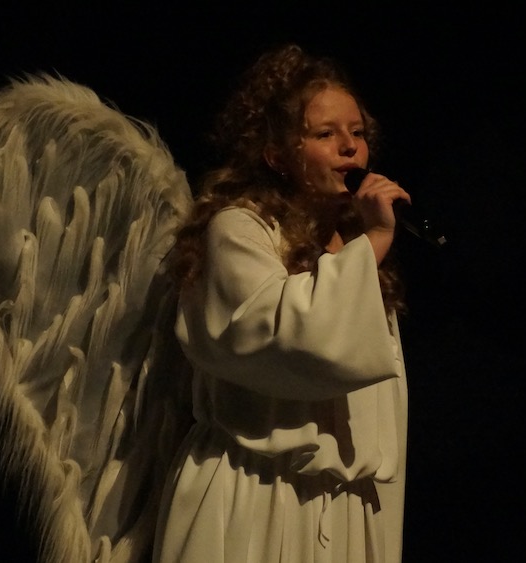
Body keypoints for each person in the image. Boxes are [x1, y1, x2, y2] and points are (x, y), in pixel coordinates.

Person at [156, 43, 411, 563]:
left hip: (341, 509)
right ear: (277, 155)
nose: (350, 147)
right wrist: (375, 242)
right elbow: (293, 339)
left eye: (358, 132)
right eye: (325, 134)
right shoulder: (240, 230)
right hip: (253, 497)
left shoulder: (356, 251)